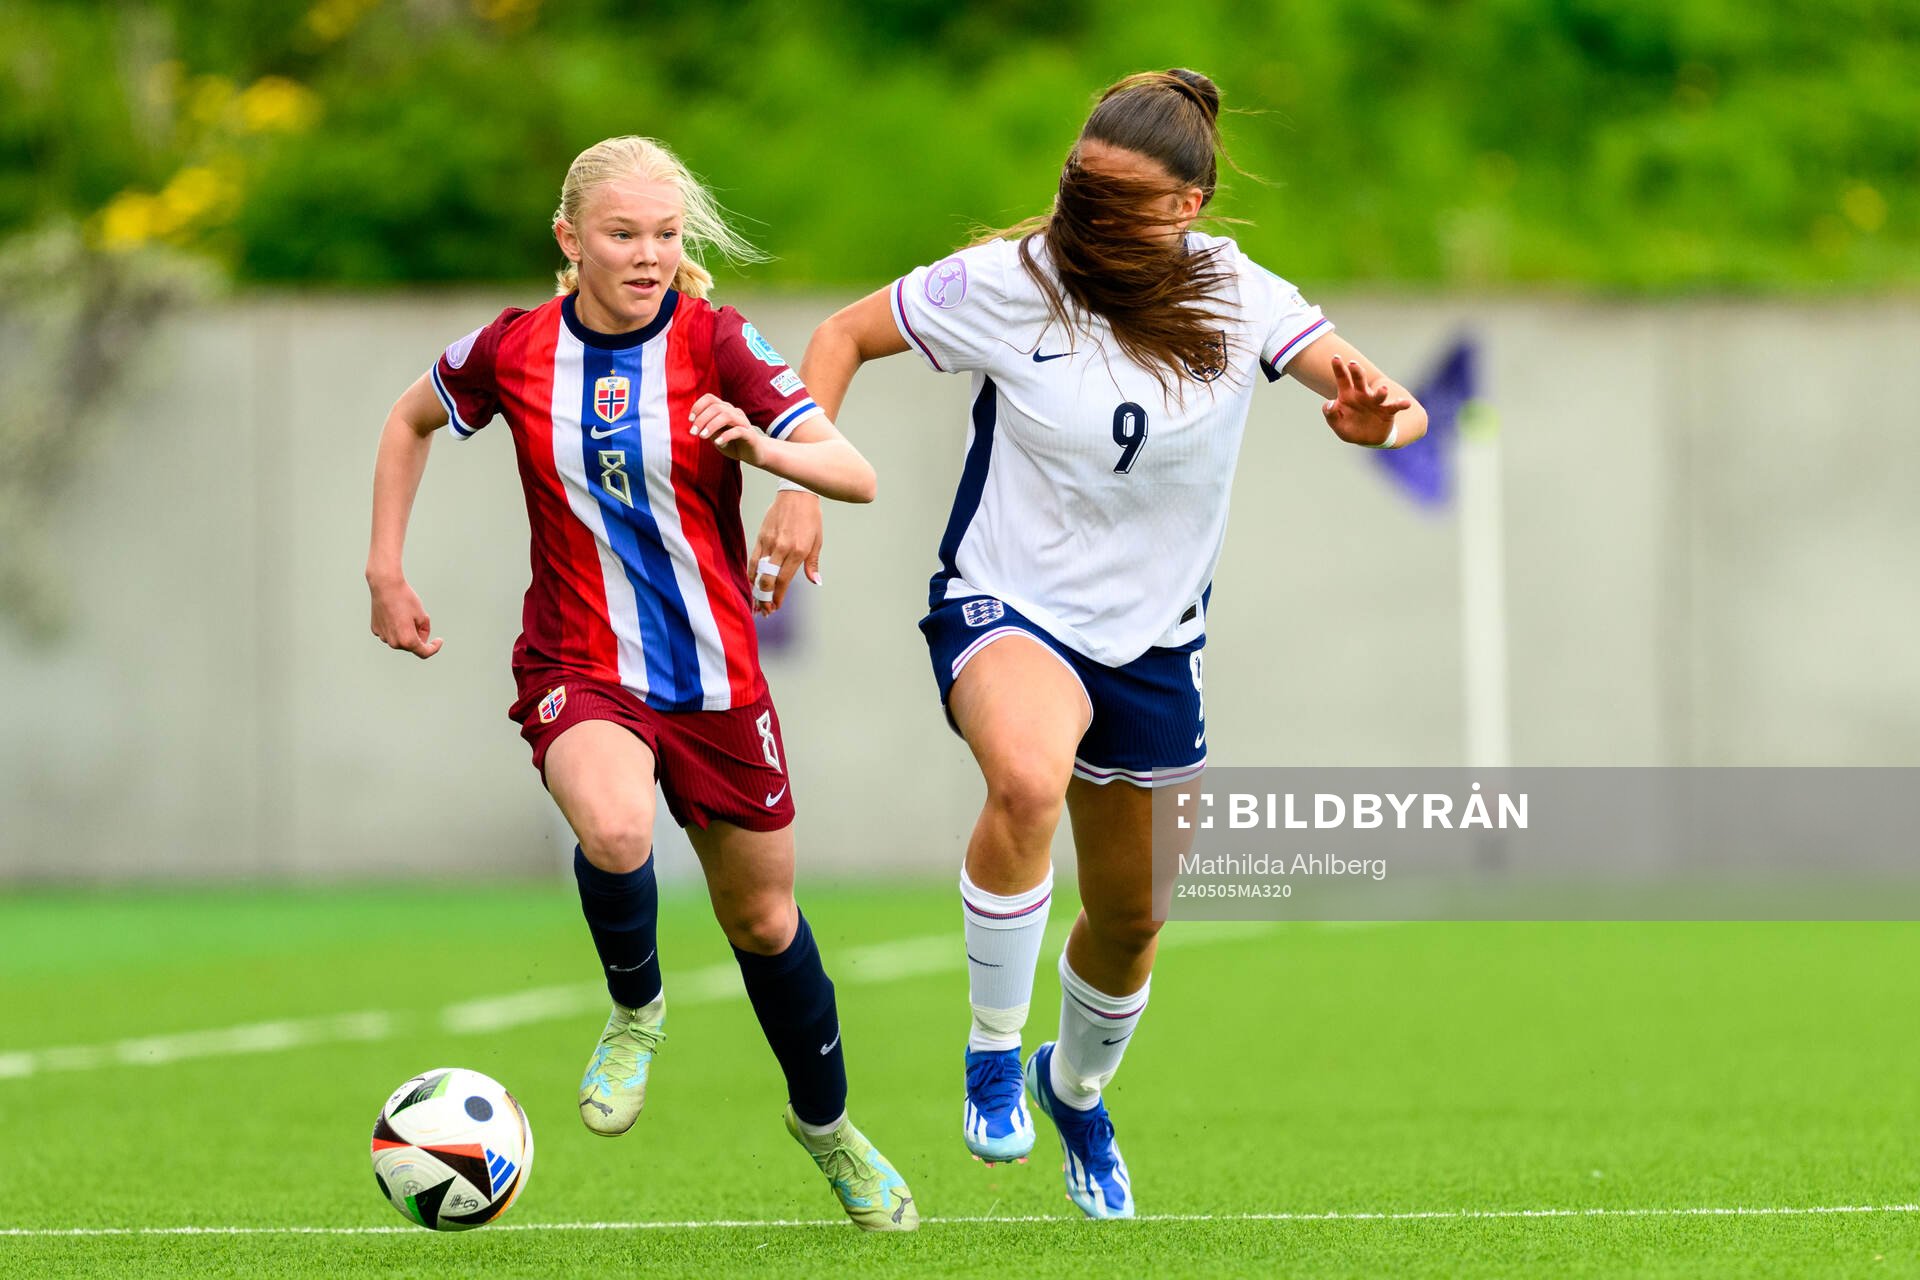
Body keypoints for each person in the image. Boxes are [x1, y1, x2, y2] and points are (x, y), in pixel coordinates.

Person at [796, 71, 1427, 1220]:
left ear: (1188, 207)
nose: (1084, 216)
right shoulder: (1008, 280)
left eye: (1119, 200)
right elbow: (840, 335)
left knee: (1133, 917)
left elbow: (1391, 401)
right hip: (1005, 602)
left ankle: (1074, 1089)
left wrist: (1379, 414)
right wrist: (801, 476)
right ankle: (994, 1047)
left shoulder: (1239, 296)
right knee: (1028, 777)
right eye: (1078, 188)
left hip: (1154, 644)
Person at [365, 135, 916, 1232]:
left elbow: (853, 472)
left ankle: (830, 1130)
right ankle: (635, 1007)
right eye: (624, 234)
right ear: (570, 240)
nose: (650, 254)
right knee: (617, 829)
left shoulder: (718, 341)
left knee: (763, 918)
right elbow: (410, 418)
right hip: (578, 659)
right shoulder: (515, 348)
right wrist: (385, 565)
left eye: (666, 235)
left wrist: (766, 449)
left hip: (715, 678)